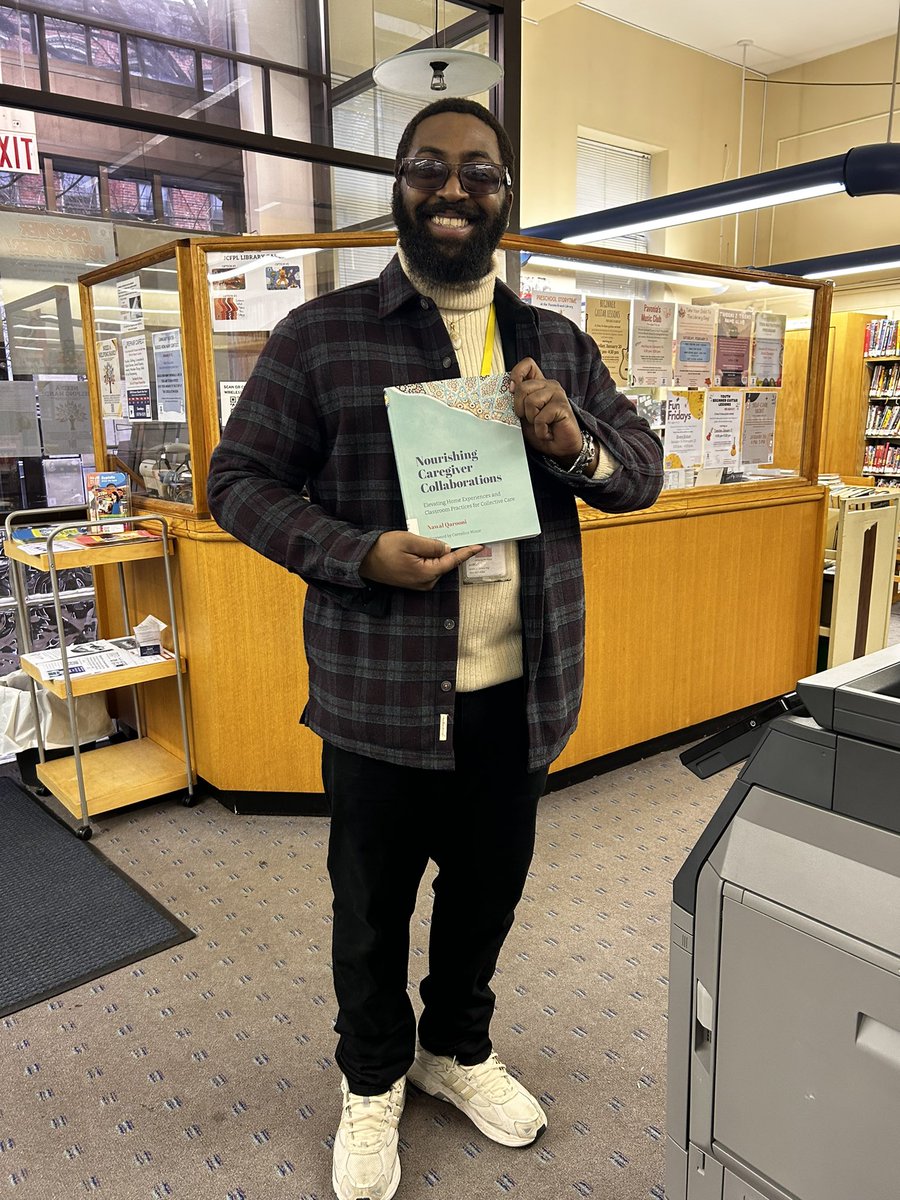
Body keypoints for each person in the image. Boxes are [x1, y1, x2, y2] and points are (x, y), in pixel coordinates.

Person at [206, 97, 663, 1200]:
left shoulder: (555, 342)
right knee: (369, 909)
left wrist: (576, 442)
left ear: (507, 196)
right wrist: (357, 553)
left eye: (480, 172)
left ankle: (454, 1048)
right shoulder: (321, 333)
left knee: (485, 897)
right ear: (398, 185)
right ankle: (372, 1078)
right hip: (383, 694)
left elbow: (641, 473)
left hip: (520, 681)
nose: (454, 188)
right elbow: (236, 483)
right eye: (429, 168)